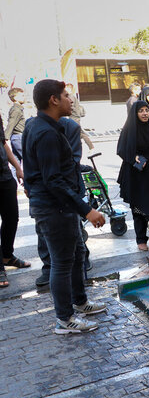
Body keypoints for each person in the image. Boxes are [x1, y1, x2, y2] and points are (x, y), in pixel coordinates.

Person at [22, 79, 107, 334]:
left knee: (77, 254)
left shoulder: (41, 125)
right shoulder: (46, 132)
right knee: (61, 263)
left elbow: (32, 169)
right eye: (66, 95)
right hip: (54, 208)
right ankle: (64, 319)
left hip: (60, 206)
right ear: (53, 100)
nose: (71, 100)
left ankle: (80, 302)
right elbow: (53, 181)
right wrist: (87, 210)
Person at [36, 117, 93, 287]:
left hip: (67, 192)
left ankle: (82, 266)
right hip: (47, 196)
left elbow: (72, 162)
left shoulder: (70, 126)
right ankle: (48, 268)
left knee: (75, 239)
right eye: (65, 95)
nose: (70, 99)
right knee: (45, 235)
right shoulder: (36, 127)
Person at [117, 101, 149, 251]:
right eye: (141, 111)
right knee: (139, 207)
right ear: (135, 113)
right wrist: (133, 156)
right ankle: (141, 239)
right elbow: (121, 149)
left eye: (146, 110)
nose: (145, 113)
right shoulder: (129, 129)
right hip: (137, 173)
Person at [0, 114, 27, 288]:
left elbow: (3, 143)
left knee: (12, 218)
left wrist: (17, 167)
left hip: (4, 176)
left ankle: (7, 255)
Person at [65, 83, 94, 151]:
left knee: (80, 134)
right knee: (78, 134)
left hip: (74, 118)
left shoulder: (70, 97)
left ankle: (91, 147)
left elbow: (71, 107)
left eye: (66, 88)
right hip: (75, 118)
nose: (65, 90)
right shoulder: (73, 97)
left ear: (70, 89)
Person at [5, 87, 26, 180]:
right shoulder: (16, 110)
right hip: (18, 137)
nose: (24, 96)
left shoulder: (17, 109)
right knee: (28, 158)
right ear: (15, 98)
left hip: (16, 137)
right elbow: (11, 123)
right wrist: (5, 137)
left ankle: (16, 182)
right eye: (22, 95)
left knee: (16, 161)